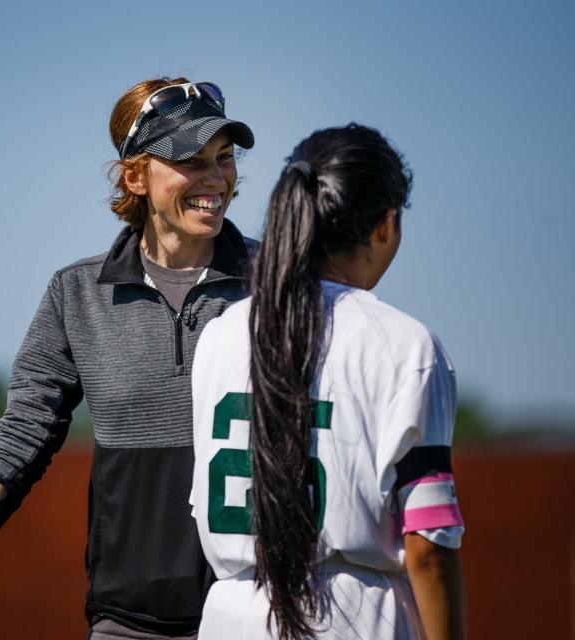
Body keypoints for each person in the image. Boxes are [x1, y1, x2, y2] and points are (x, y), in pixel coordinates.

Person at [0, 78, 255, 639]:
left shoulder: (279, 281)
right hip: (127, 622)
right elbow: (21, 440)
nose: (215, 179)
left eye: (224, 159)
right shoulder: (75, 294)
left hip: (257, 611)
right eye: (191, 160)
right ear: (135, 176)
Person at [191, 124, 467, 639]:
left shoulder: (221, 334)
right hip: (355, 618)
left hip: (230, 616)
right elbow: (428, 545)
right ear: (386, 225)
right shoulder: (406, 346)